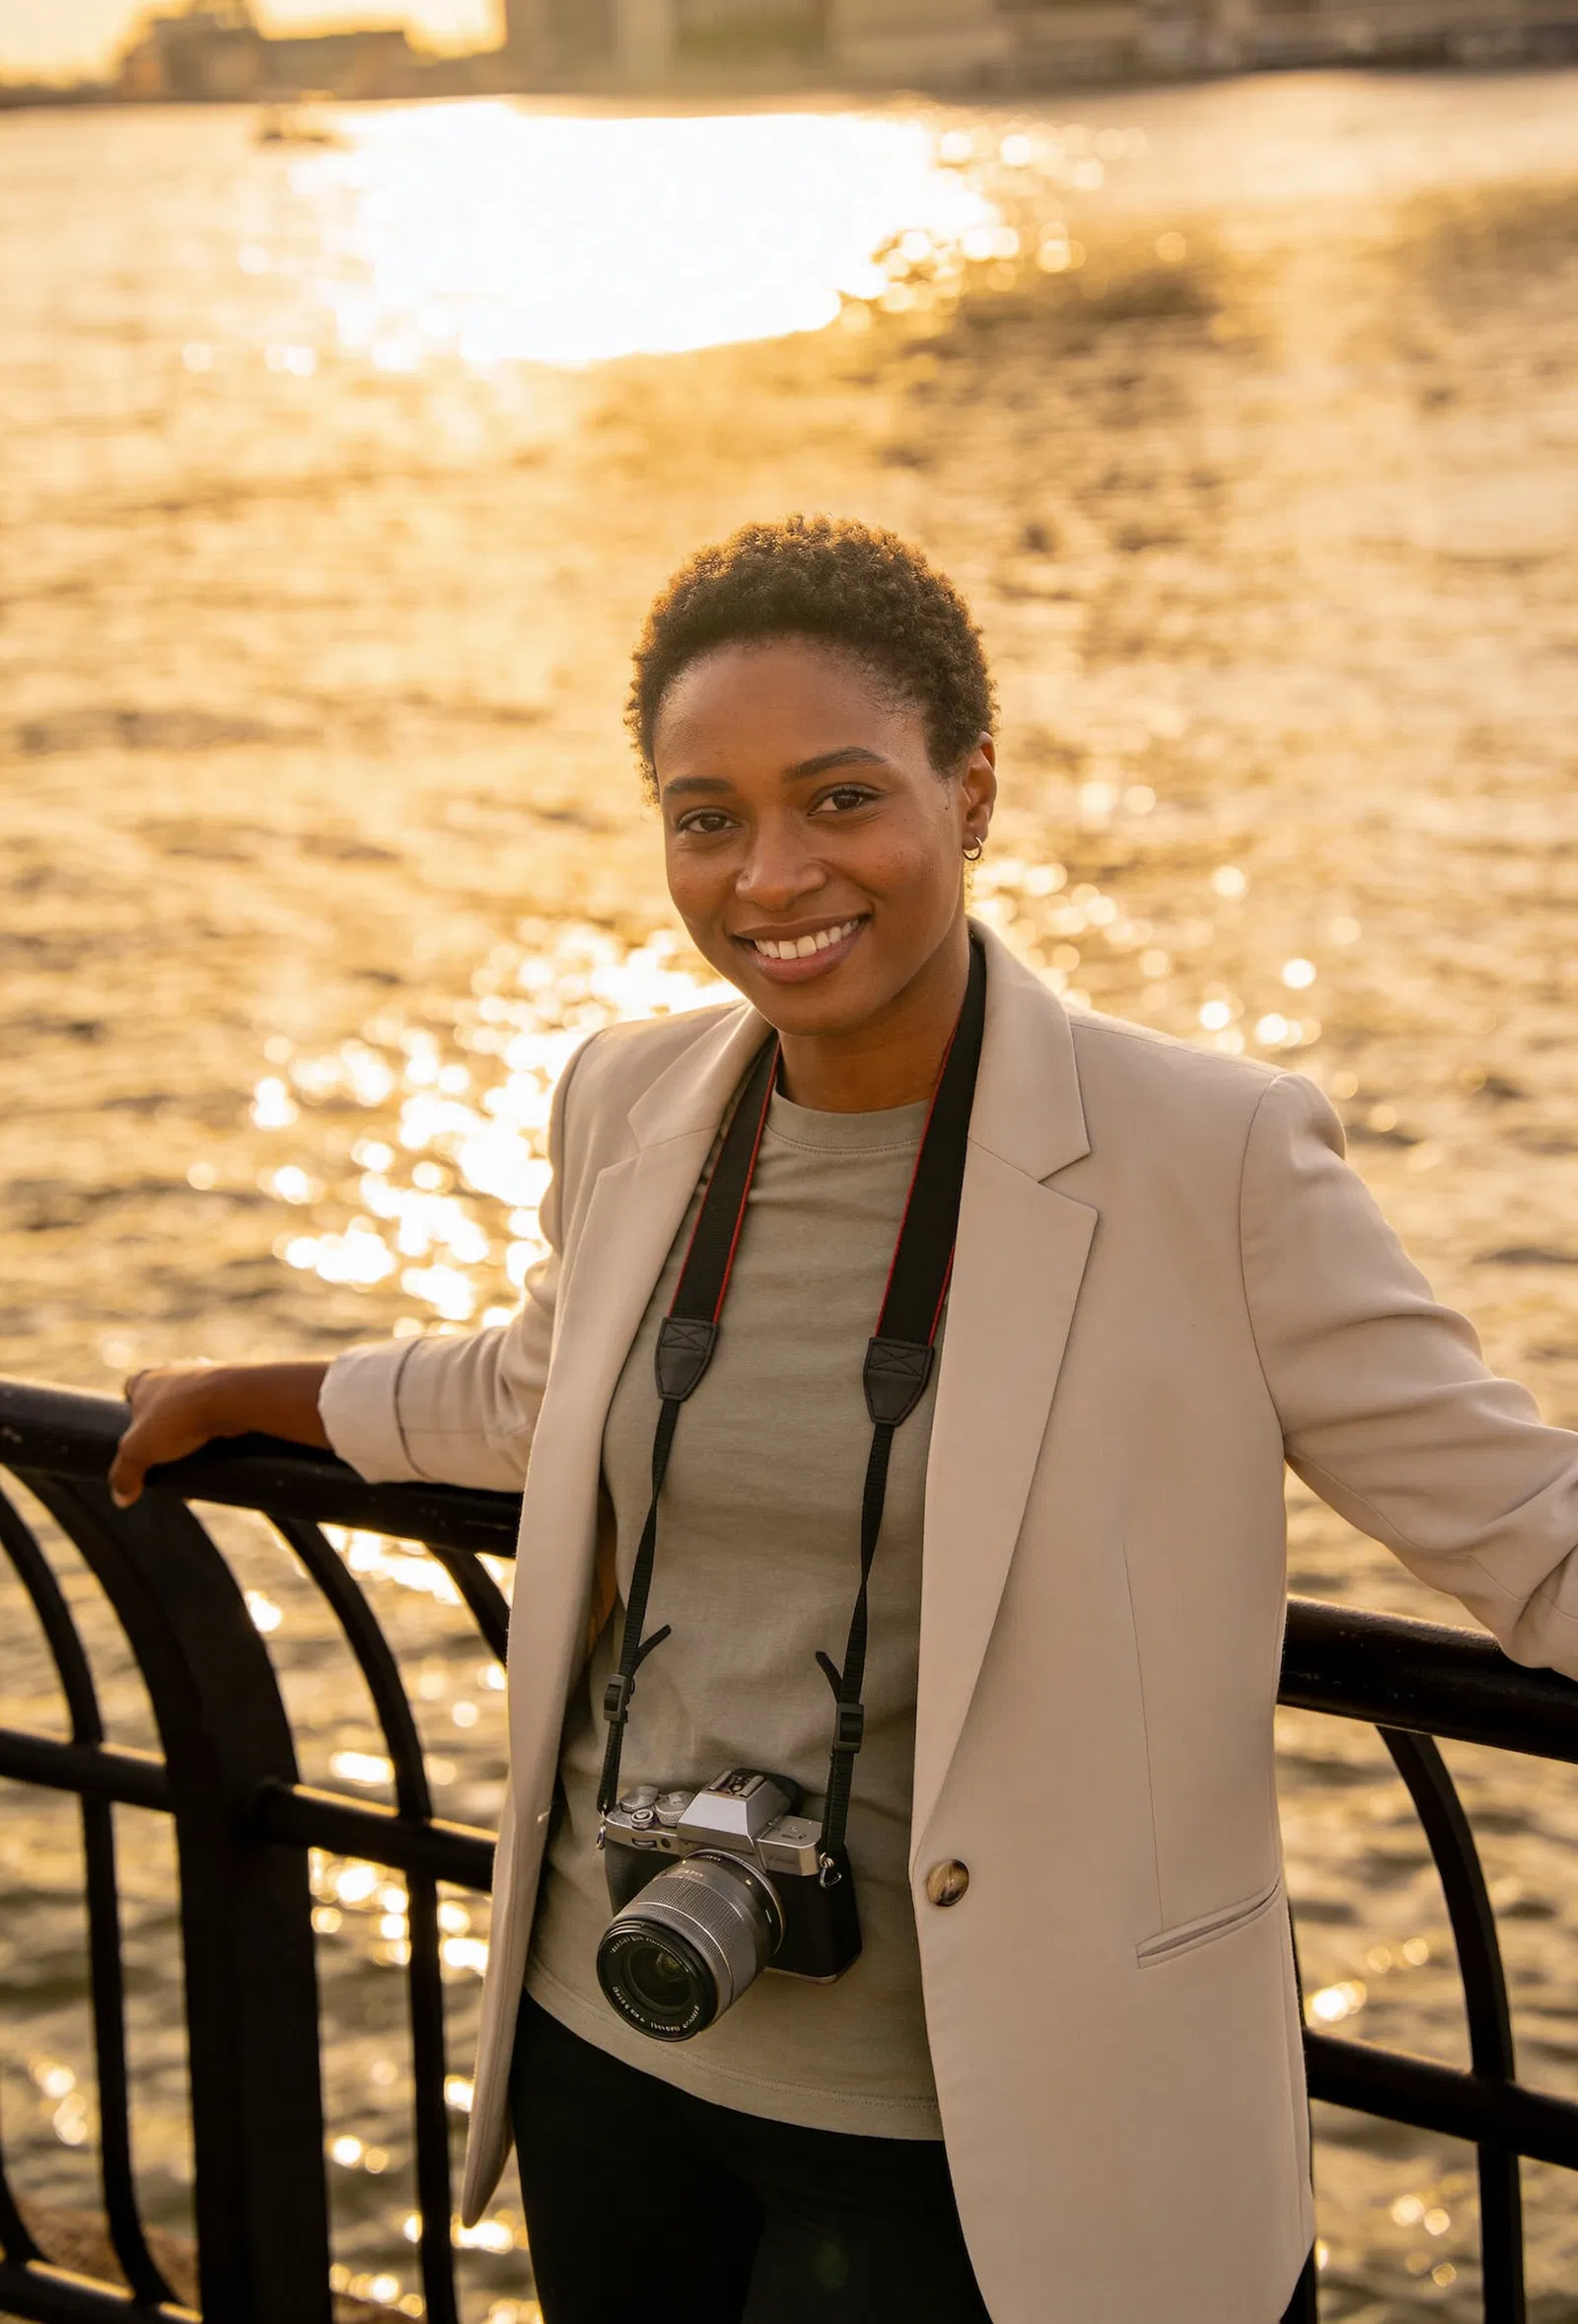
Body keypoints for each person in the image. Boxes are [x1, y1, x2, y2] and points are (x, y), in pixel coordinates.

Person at [112, 517, 1578, 2324]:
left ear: (972, 795)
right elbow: (538, 1387)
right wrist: (248, 1397)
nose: (770, 875)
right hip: (614, 2045)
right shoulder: (630, 1097)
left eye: (840, 797)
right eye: (705, 816)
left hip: (989, 2131)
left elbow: (1529, 1525)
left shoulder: (1216, 1157)